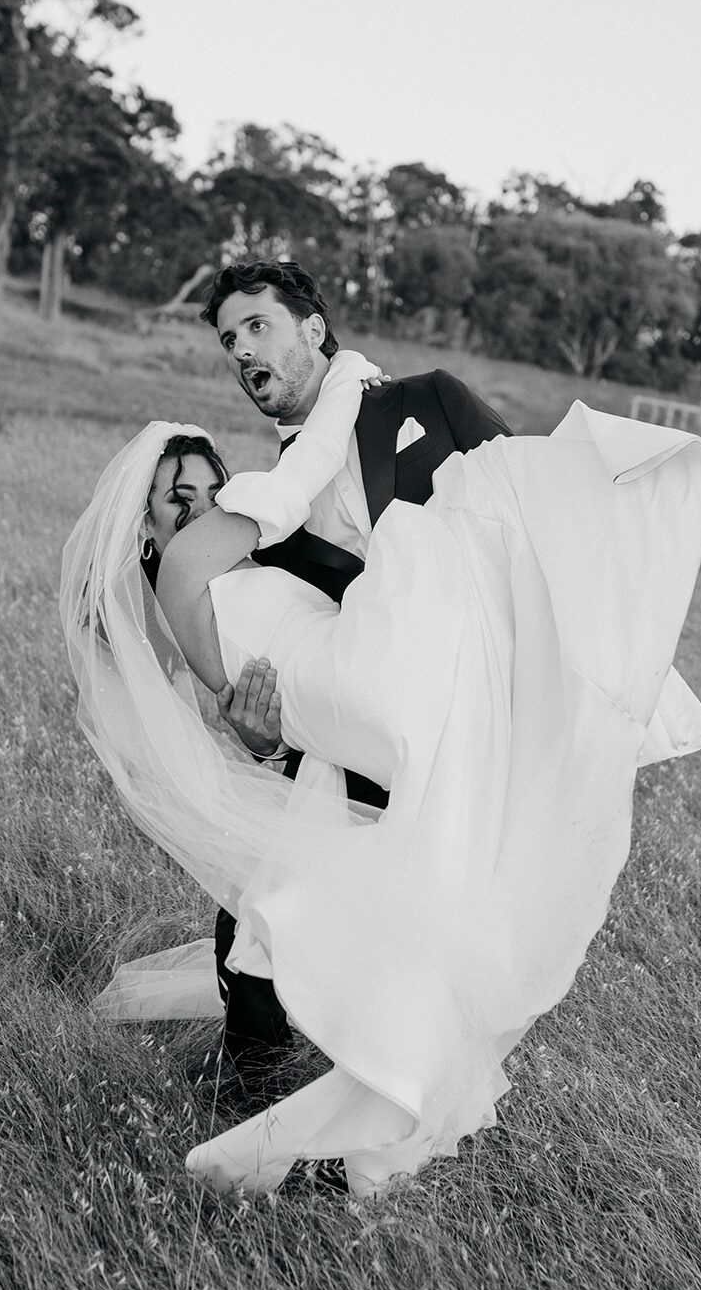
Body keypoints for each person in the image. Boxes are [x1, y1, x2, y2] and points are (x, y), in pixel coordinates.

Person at [61, 331, 701, 1198]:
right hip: (347, 680)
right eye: (176, 501)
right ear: (146, 531)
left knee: (498, 540)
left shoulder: (238, 552)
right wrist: (346, 374)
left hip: (345, 688)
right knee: (482, 507)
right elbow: (301, 478)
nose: (199, 508)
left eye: (206, 488)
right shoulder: (194, 560)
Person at [198, 260, 515, 1093]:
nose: (241, 350)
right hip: (351, 738)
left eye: (257, 326)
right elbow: (294, 653)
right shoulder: (268, 513)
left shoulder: (430, 402)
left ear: (313, 327)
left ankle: (397, 1087)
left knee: (428, 949)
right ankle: (253, 1090)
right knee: (252, 911)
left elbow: (541, 501)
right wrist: (257, 734)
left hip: (460, 719)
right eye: (229, 340)